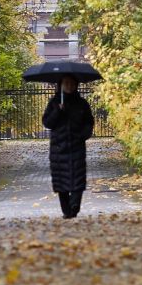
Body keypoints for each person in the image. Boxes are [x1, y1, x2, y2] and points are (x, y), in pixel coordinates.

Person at [41, 75, 94, 218]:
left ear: (76, 85)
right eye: (66, 83)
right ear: (61, 85)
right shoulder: (54, 102)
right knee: (61, 182)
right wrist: (58, 111)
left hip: (76, 146)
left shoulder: (82, 103)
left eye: (72, 83)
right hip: (59, 148)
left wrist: (82, 135)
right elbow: (47, 123)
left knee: (78, 178)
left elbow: (89, 123)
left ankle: (75, 205)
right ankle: (66, 211)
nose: (69, 86)